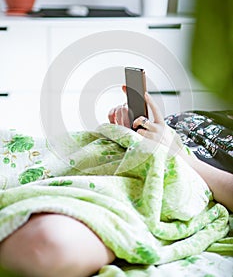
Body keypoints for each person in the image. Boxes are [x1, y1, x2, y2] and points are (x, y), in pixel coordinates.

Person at [0, 89, 232, 277]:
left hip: (176, 173)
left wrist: (176, 153)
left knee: (44, 246)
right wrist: (135, 128)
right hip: (116, 148)